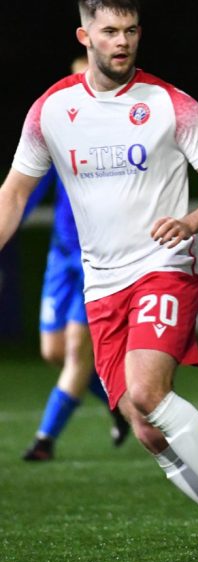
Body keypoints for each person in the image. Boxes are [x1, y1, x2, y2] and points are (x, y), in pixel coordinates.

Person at [0, 2, 198, 562]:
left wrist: (191, 221)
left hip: (162, 269)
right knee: (146, 427)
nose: (122, 41)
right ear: (85, 35)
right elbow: (13, 192)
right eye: (110, 31)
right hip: (100, 286)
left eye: (131, 30)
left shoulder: (171, 104)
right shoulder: (51, 111)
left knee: (149, 393)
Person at [20, 54, 131, 463]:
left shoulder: (117, 138)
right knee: (51, 352)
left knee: (73, 354)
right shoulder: (57, 134)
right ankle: (116, 403)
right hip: (60, 255)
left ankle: (44, 441)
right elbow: (26, 190)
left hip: (95, 259)